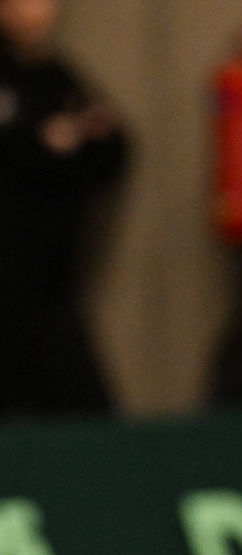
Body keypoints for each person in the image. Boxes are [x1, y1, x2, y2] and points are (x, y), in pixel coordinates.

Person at [0, 0, 126, 418]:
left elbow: (114, 146)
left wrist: (71, 140)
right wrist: (43, 142)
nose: (42, 9)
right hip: (8, 290)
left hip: (52, 290)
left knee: (87, 415)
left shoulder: (57, 75)